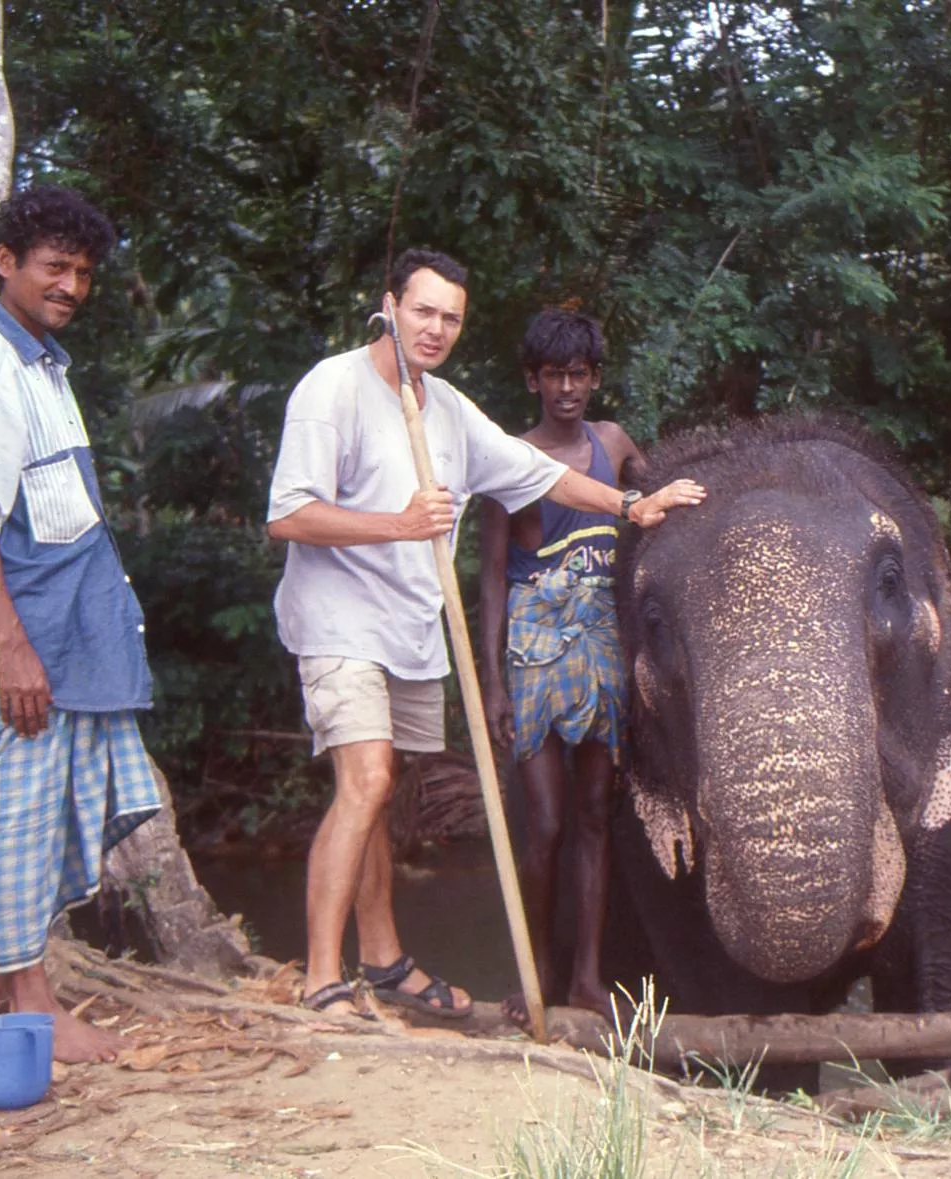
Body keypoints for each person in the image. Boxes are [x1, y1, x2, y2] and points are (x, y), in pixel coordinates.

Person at [266, 251, 703, 1020]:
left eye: (451, 317)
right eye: (423, 311)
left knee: (378, 793)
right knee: (365, 780)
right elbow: (288, 514)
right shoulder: (331, 389)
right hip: (340, 623)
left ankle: (384, 960)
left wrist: (628, 506)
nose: (436, 328)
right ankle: (322, 978)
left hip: (408, 628)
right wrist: (398, 523)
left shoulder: (447, 409)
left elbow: (538, 472)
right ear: (389, 306)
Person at [0, 187, 158, 1064]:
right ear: (5, 261)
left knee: (35, 823)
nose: (71, 285)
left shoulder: (41, 364)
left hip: (61, 644)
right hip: (13, 650)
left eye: (83, 271)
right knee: (9, 827)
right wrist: (13, 647)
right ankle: (34, 1011)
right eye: (54, 266)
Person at [478, 309, 645, 1022]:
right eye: (554, 375)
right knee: (545, 822)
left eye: (578, 375)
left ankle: (586, 977)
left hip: (601, 639)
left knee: (595, 815)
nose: (567, 389)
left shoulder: (614, 444)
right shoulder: (509, 459)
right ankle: (536, 969)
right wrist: (492, 683)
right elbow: (491, 577)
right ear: (533, 380)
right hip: (534, 647)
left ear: (595, 378)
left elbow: (656, 505)